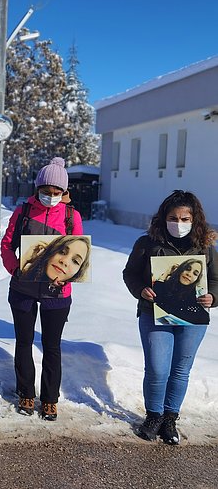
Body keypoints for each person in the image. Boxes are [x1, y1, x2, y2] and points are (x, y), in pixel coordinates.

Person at [122, 190, 217, 444]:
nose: (179, 223)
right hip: (155, 315)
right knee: (156, 368)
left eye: (185, 219)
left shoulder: (205, 247)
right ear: (163, 218)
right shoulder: (147, 244)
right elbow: (130, 274)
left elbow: (216, 281)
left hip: (192, 319)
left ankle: (169, 419)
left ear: (195, 220)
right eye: (173, 218)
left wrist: (213, 298)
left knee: (180, 370)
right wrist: (140, 290)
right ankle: (154, 415)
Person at [0, 157, 83, 421]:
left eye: (56, 192)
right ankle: (25, 392)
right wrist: (15, 268)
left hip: (57, 293)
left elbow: (79, 253)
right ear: (38, 189)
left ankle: (49, 399)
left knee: (52, 346)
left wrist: (67, 276)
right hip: (24, 289)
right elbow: (6, 245)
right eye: (46, 191)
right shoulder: (23, 212)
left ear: (64, 192)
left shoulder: (72, 216)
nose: (51, 196)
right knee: (24, 342)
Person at [153, 258, 210, 325]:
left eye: (195, 273)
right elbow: (156, 297)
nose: (189, 274)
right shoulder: (166, 286)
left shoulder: (193, 299)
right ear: (180, 269)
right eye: (187, 269)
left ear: (197, 279)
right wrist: (166, 273)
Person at [19, 235, 91, 287]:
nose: (65, 261)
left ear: (79, 272)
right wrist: (25, 259)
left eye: (75, 261)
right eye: (62, 252)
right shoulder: (26, 274)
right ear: (50, 251)